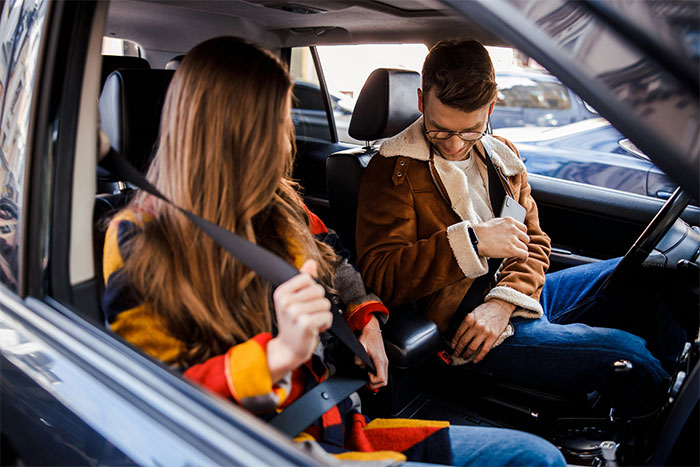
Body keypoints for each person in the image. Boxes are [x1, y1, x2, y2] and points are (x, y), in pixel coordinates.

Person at [102, 36, 565, 466]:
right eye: (278, 122)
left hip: (344, 422)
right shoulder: (139, 239)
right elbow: (152, 402)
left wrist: (366, 320)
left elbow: (335, 257)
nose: (287, 138)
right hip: (279, 445)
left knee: (534, 456)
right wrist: (274, 357)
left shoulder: (279, 202)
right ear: (232, 134)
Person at [356, 39, 685, 415]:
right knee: (631, 356)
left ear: (491, 107)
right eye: (440, 131)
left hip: (516, 300)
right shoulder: (391, 172)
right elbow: (381, 276)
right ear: (420, 102)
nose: (454, 146)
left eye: (470, 131)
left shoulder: (501, 155)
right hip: (467, 329)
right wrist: (474, 242)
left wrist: (503, 301)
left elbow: (535, 243)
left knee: (657, 272)